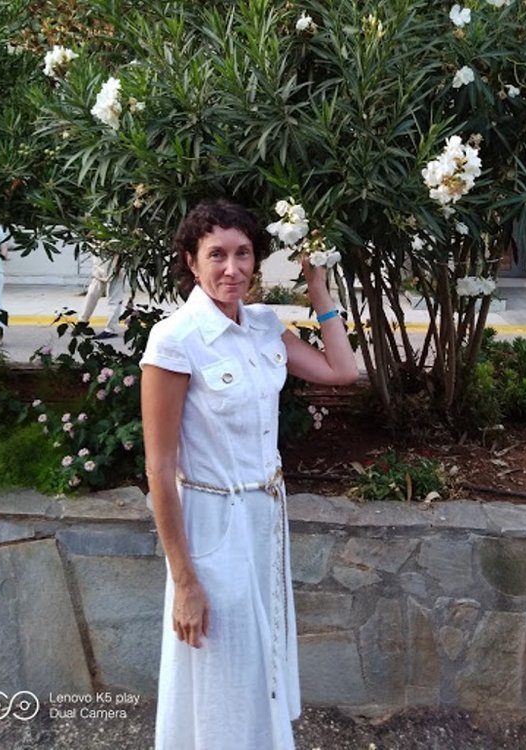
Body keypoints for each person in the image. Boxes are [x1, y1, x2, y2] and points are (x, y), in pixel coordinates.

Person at [140, 199, 359, 750]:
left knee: (261, 659)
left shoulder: (263, 326)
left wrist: (319, 293)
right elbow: (159, 469)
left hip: (265, 521)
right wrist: (184, 582)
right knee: (221, 664)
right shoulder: (175, 339)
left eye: (243, 254)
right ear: (191, 261)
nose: (232, 269)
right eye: (216, 255)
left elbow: (342, 371)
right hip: (211, 524)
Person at [78, 253, 126, 339]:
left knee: (114, 299)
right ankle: (82, 322)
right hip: (100, 268)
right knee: (92, 293)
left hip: (116, 268)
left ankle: (111, 329)